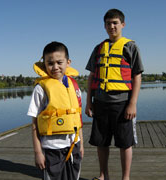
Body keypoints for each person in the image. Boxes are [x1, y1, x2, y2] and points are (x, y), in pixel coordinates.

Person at [85, 9, 144, 180]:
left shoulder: (130, 46)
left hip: (122, 103)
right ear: (104, 26)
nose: (112, 26)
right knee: (101, 142)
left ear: (122, 24)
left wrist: (132, 103)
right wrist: (89, 102)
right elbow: (91, 76)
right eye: (108, 23)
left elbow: (137, 76)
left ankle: (125, 177)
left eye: (115, 23)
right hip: (100, 102)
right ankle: (104, 175)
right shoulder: (98, 48)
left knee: (125, 143)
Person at [27, 41, 84, 180]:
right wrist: (38, 152)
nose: (55, 67)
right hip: (51, 149)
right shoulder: (40, 89)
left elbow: (78, 117)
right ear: (44, 64)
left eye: (59, 62)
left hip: (73, 146)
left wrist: (81, 144)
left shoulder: (74, 86)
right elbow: (34, 124)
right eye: (50, 63)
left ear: (68, 62)